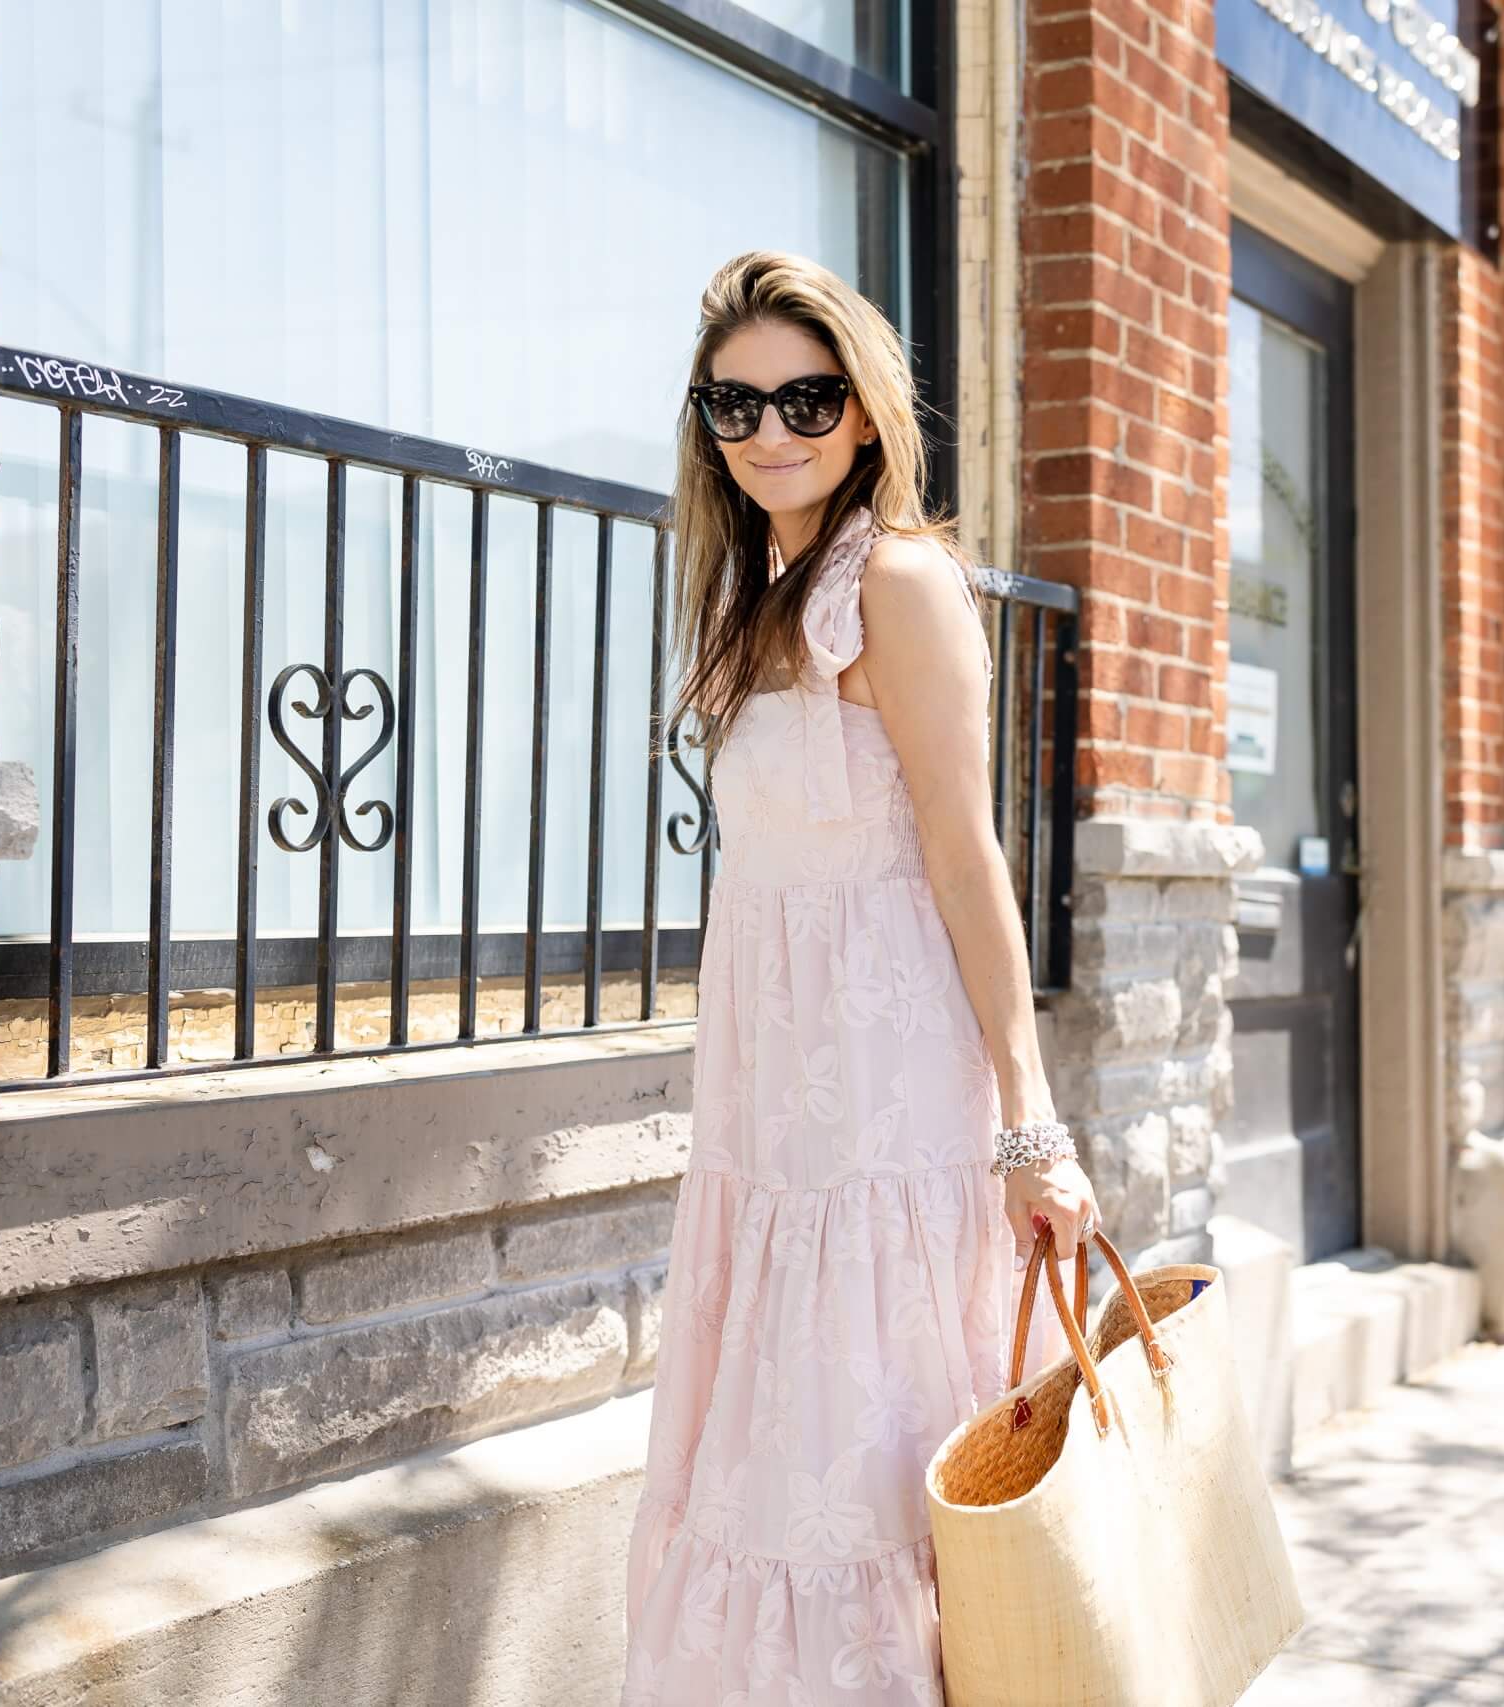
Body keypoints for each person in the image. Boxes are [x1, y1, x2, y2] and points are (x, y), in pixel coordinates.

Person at [621, 252, 1099, 1705]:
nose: (772, 431)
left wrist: (1028, 1119)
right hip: (773, 1106)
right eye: (738, 403)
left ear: (869, 413)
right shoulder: (760, 591)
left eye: (808, 397)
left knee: (874, 1447)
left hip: (886, 1106)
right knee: (777, 1451)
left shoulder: (896, 581)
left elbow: (969, 861)